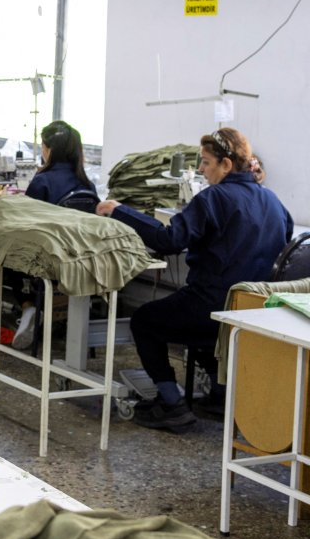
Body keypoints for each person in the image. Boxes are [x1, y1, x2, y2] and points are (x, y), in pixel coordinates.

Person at [96, 127, 293, 431]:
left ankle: (171, 402)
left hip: (210, 306)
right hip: (249, 312)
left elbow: (167, 240)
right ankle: (218, 392)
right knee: (203, 326)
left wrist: (120, 211)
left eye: (205, 162)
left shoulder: (213, 198)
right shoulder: (273, 202)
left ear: (226, 165)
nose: (200, 170)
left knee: (146, 321)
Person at [0, 121, 99, 350]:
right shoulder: (87, 186)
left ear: (49, 150)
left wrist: (6, 203)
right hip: (75, 262)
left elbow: (22, 225)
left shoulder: (42, 182)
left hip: (42, 264)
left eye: (42, 146)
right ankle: (26, 307)